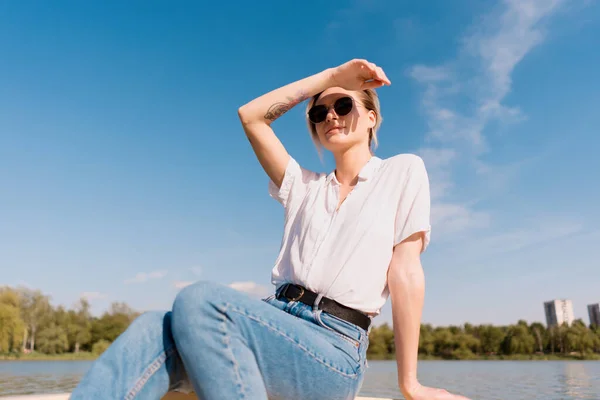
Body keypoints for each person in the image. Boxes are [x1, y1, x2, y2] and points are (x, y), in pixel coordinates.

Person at [70, 59, 470, 400]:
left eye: (343, 104)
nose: (330, 115)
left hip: (334, 346)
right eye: (318, 112)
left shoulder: (402, 171)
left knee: (201, 300)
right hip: (271, 322)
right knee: (151, 328)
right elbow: (251, 116)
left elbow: (405, 272)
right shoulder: (302, 186)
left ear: (370, 118)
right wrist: (332, 75)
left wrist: (410, 382)